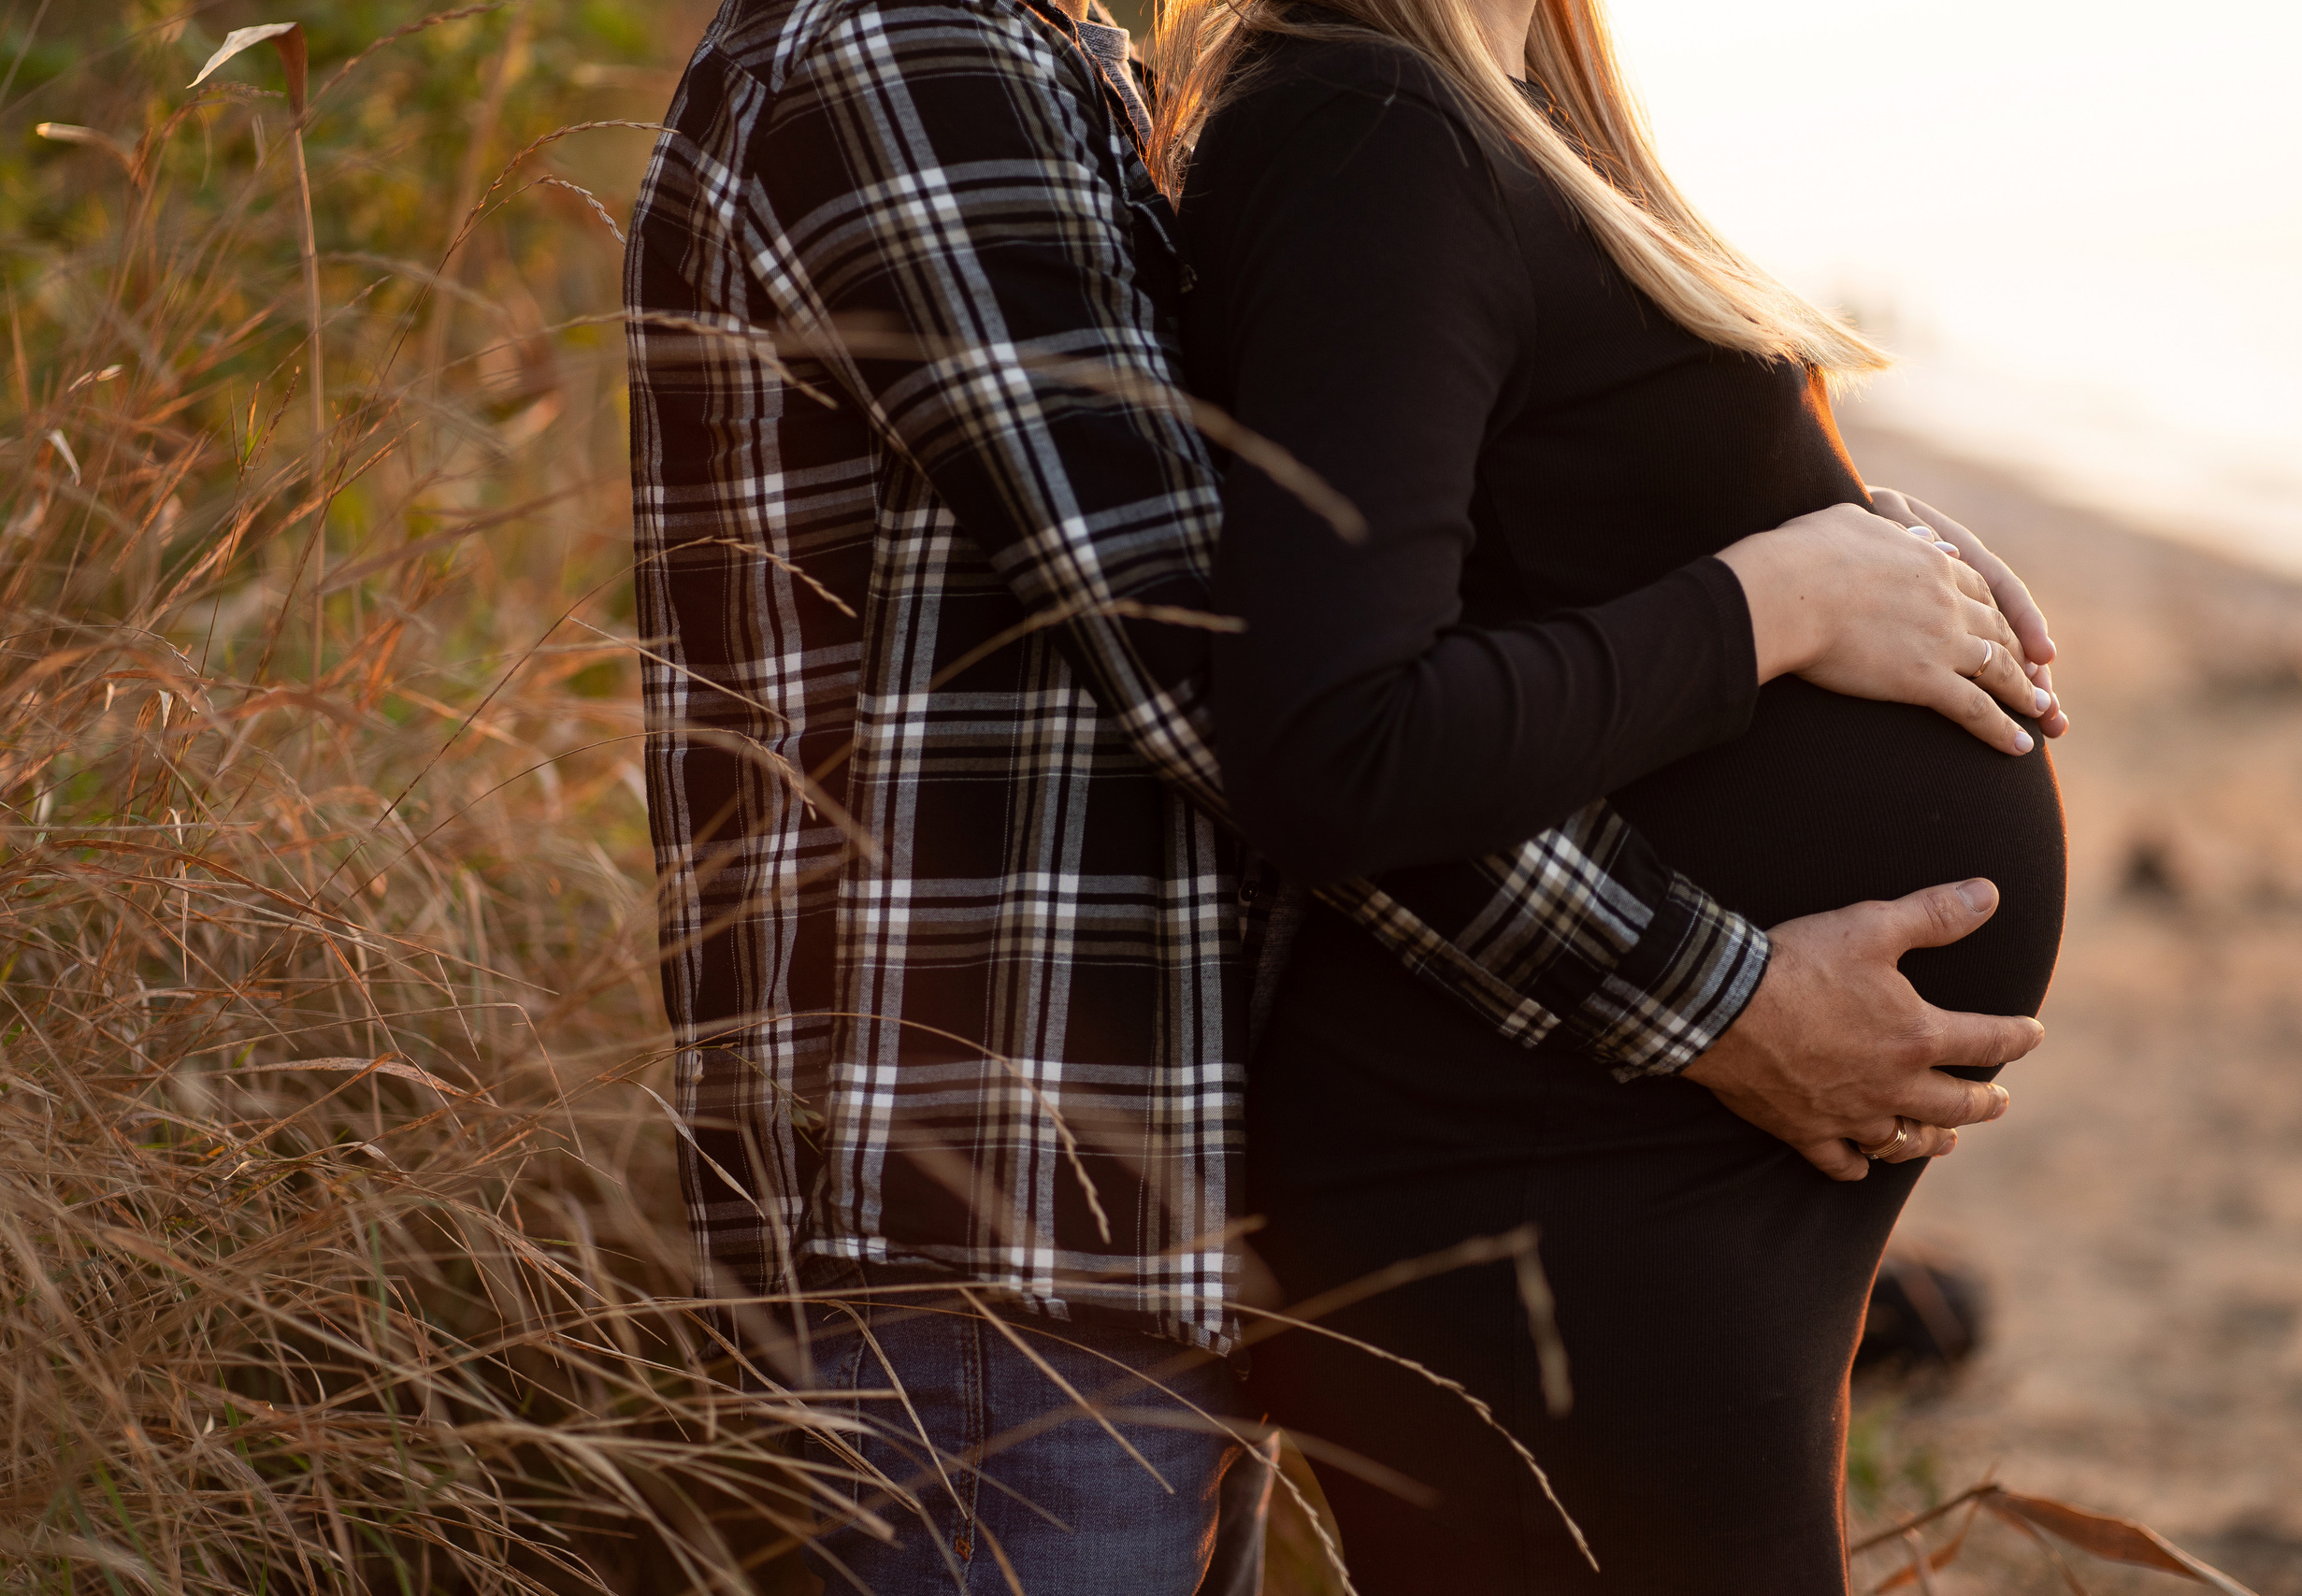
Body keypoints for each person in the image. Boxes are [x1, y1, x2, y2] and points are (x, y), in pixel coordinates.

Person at [624, 0, 2061, 1587]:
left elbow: (1380, 546)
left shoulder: (1071, 69)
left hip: (1136, 1186)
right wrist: (1719, 987)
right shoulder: (902, 58)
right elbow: (1243, 692)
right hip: (986, 1209)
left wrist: (1843, 542)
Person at [1156, 0, 2069, 1588]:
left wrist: (1865, 541)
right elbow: (1340, 736)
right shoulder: (1369, 121)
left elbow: (1549, 521)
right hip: (1550, 1177)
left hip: (1646, 1183)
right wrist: (1783, 596)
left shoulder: (1503, 101)